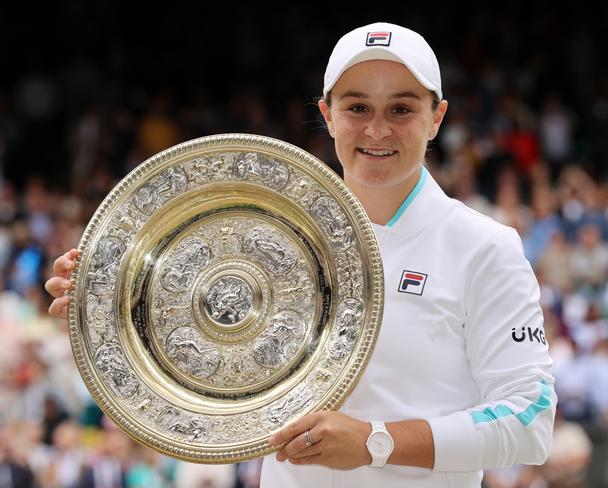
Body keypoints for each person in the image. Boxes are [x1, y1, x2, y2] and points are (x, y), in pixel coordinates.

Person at [45, 21, 556, 488]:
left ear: (437, 118)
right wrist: (106, 308)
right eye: (357, 107)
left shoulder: (483, 247)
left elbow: (529, 419)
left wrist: (375, 442)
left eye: (401, 109)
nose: (377, 130)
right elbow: (205, 359)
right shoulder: (266, 231)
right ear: (327, 114)